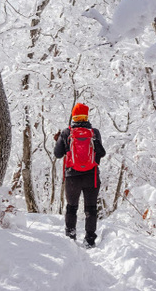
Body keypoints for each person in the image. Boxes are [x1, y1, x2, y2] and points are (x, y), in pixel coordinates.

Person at [54, 102, 106, 248]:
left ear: (74, 117)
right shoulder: (94, 133)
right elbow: (102, 153)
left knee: (71, 207)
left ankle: (70, 237)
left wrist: (59, 141)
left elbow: (58, 154)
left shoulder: (66, 132)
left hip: (72, 177)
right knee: (91, 208)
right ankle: (90, 239)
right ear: (86, 116)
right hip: (92, 176)